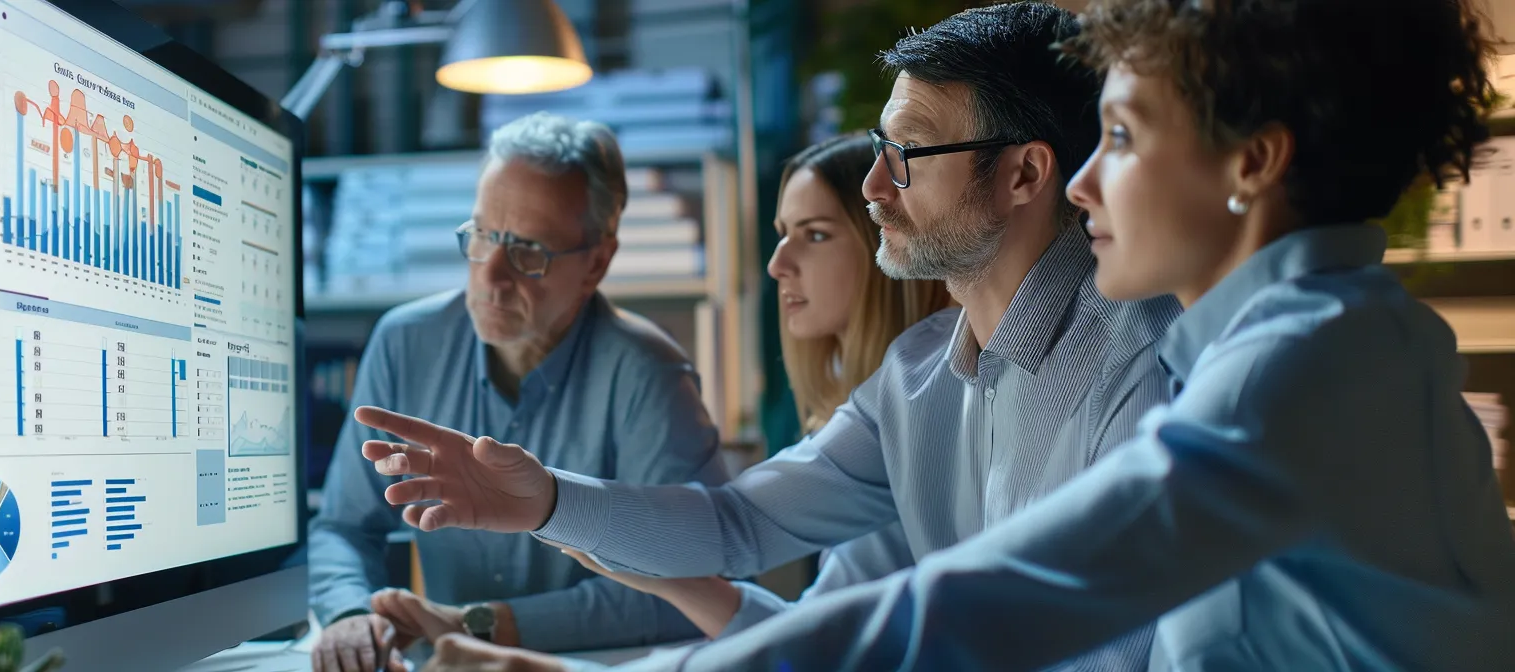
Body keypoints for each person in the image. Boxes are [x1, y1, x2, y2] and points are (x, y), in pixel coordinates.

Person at [390, 0, 1515, 669]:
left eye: (1119, 137)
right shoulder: (1287, 345)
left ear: (1252, 161)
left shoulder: (1285, 363)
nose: (1085, 180)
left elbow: (998, 603)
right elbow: (756, 533)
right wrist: (543, 500)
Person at [353, 3, 1182, 669]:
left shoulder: (1144, 368)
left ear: (1025, 175)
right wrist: (547, 501)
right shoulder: (916, 375)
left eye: (909, 154)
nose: (871, 185)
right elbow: (737, 526)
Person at [306, 112, 728, 672]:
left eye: (528, 251)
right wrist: (349, 616)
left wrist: (481, 623)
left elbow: (691, 583)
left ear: (597, 262)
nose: (490, 277)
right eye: (482, 235)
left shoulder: (649, 374)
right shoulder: (405, 342)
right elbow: (342, 526)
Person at [554, 135, 954, 638]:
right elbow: (818, 640)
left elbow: (817, 650)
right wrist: (675, 580)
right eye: (784, 234)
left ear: (887, 236)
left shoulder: (919, 412)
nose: (777, 264)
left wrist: (546, 503)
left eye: (815, 235)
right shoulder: (872, 410)